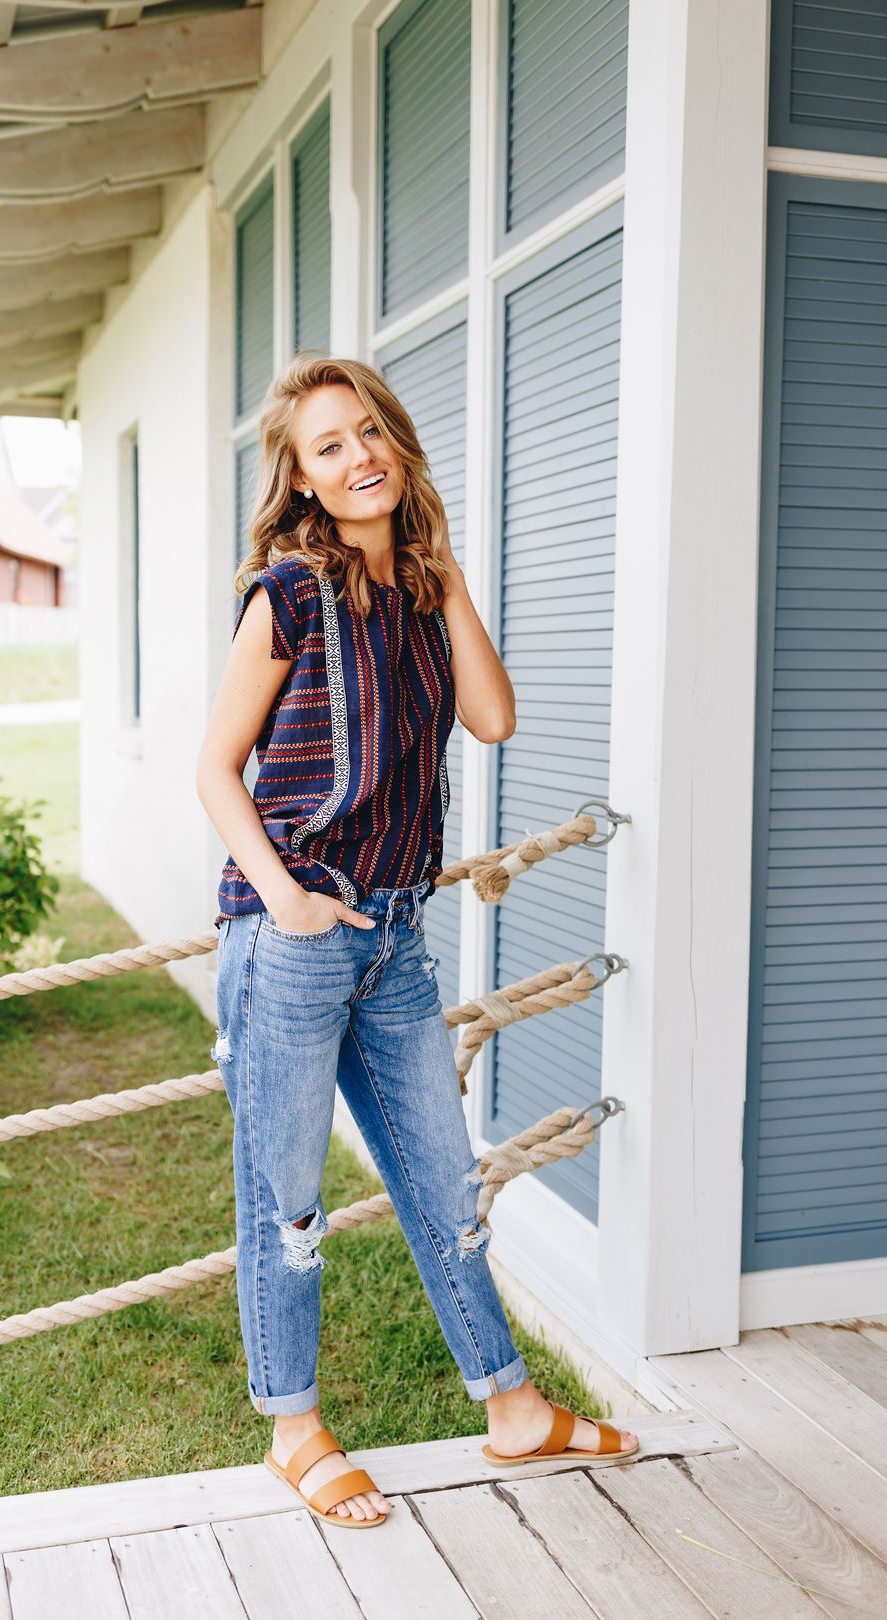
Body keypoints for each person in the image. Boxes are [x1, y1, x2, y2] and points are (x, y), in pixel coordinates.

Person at [195, 354, 637, 1530]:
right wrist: (286, 900)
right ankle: (295, 1428)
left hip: (398, 941)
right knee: (288, 1200)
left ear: (398, 442)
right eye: (329, 446)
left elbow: (491, 717)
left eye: (371, 431)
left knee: (446, 1187)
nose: (359, 456)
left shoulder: (421, 590)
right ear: (298, 478)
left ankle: (513, 1411)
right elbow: (214, 770)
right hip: (295, 936)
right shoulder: (286, 596)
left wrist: (440, 580)